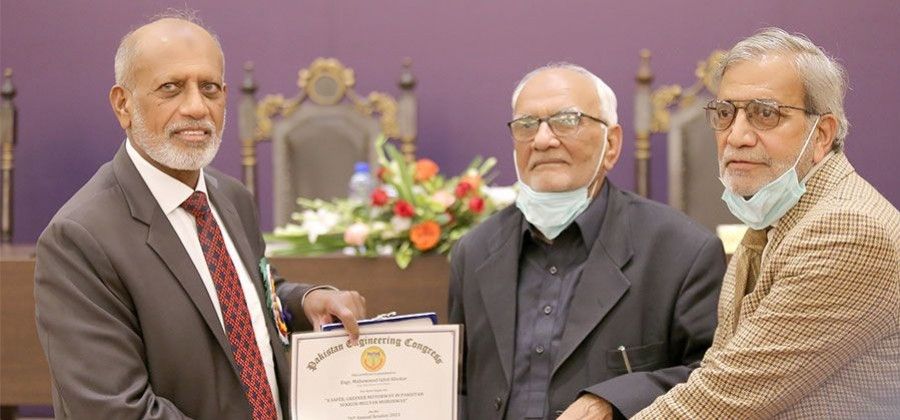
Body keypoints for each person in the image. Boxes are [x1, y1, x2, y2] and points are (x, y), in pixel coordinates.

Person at [34, 14, 366, 419]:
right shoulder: (79, 239)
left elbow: (246, 295)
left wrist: (305, 301)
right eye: (170, 88)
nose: (196, 107)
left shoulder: (231, 197)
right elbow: (116, 411)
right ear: (123, 104)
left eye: (209, 88)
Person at [633, 28, 900, 419]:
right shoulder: (774, 218)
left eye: (765, 114)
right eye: (725, 113)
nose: (736, 136)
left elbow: (720, 399)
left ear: (821, 134)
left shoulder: (847, 229)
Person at [448, 63, 727, 420]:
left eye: (567, 120)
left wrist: (615, 403)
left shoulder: (681, 251)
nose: (542, 140)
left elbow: (716, 379)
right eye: (527, 124)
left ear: (611, 144)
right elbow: (457, 386)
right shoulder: (474, 252)